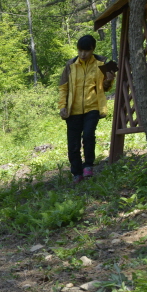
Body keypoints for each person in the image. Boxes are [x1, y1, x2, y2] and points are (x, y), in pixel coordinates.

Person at [58, 35, 115, 183]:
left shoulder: (103, 63)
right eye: (80, 50)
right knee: (73, 144)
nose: (83, 54)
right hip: (73, 110)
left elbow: (107, 87)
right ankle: (77, 173)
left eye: (86, 51)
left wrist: (109, 80)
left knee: (89, 136)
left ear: (93, 50)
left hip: (93, 107)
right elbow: (63, 88)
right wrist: (62, 106)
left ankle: (88, 165)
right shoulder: (69, 65)